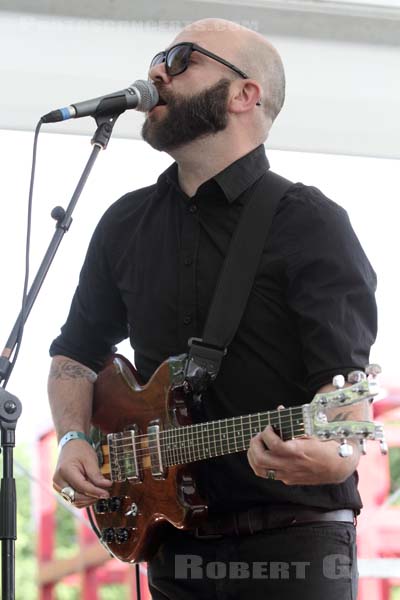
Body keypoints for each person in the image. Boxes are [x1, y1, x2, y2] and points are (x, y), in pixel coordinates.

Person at [48, 18, 377, 600]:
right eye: (157, 57)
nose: (156, 71)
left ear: (244, 94)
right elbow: (75, 354)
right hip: (172, 549)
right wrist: (74, 438)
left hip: (293, 547)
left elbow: (345, 416)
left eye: (181, 59)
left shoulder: (311, 224)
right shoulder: (125, 223)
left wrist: (330, 457)